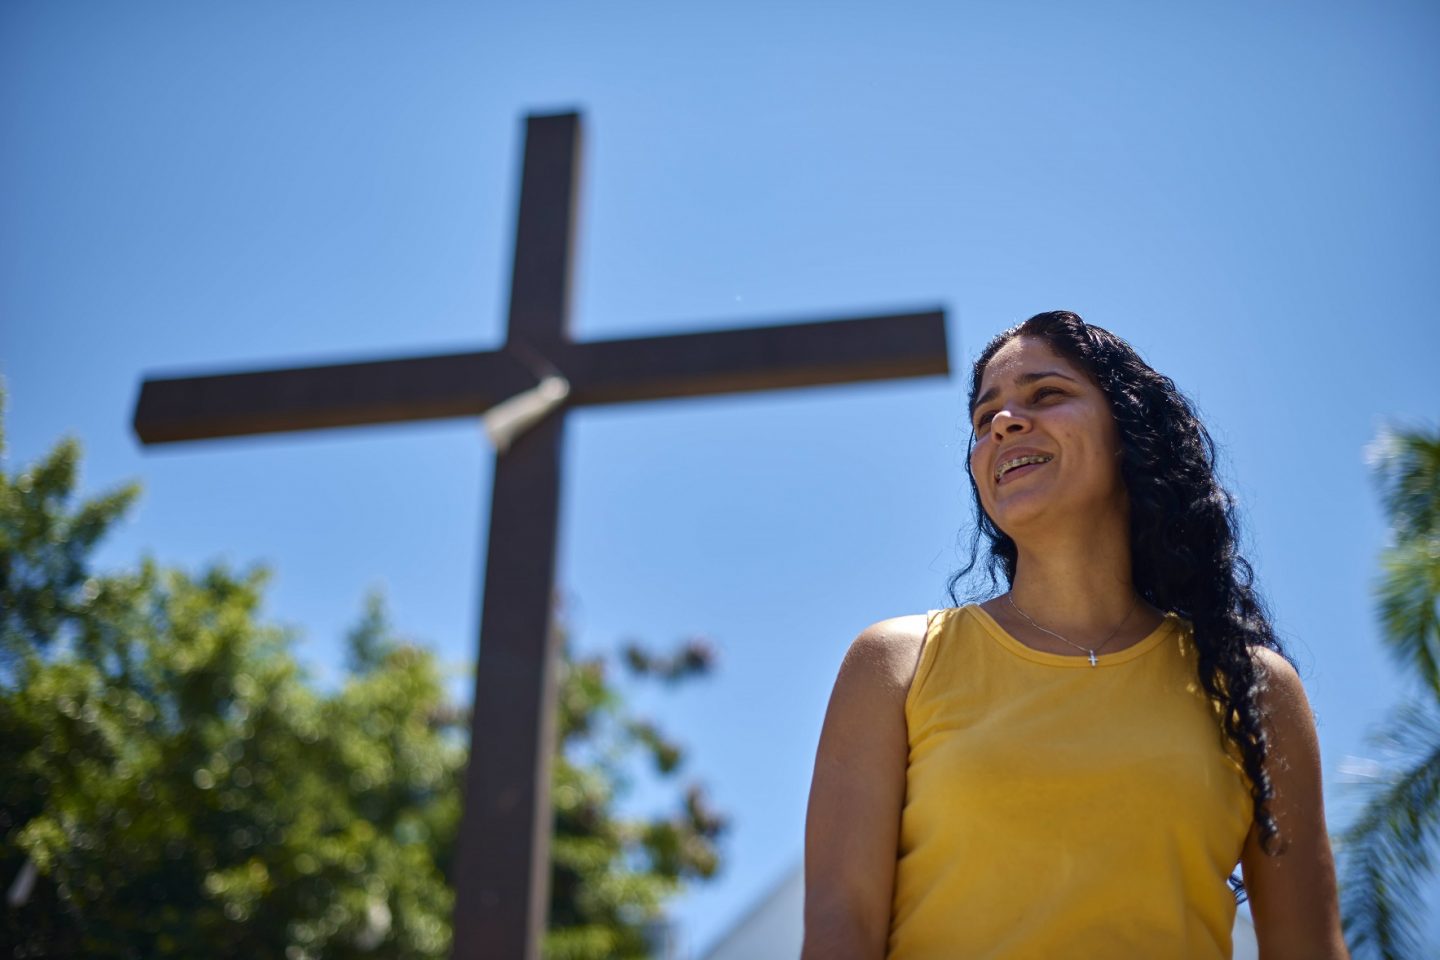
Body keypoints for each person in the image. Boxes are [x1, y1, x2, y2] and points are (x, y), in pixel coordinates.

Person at [801, 311, 1347, 959]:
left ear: (1129, 432)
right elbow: (840, 929)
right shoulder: (897, 664)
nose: (1004, 423)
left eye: (1046, 394)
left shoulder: (1251, 687)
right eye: (985, 417)